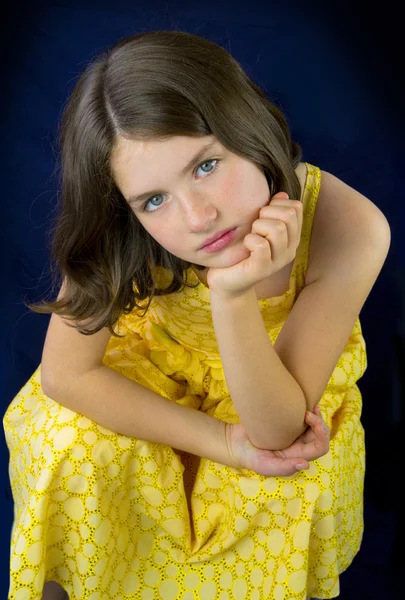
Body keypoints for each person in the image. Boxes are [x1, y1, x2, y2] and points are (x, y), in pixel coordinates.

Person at [3, 29, 391, 600]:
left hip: (271, 387)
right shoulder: (121, 227)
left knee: (283, 488)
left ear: (246, 127)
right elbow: (68, 374)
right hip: (156, 372)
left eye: (206, 165)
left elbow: (277, 430)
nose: (198, 217)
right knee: (70, 446)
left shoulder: (350, 225)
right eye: (153, 200)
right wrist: (223, 442)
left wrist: (232, 298)